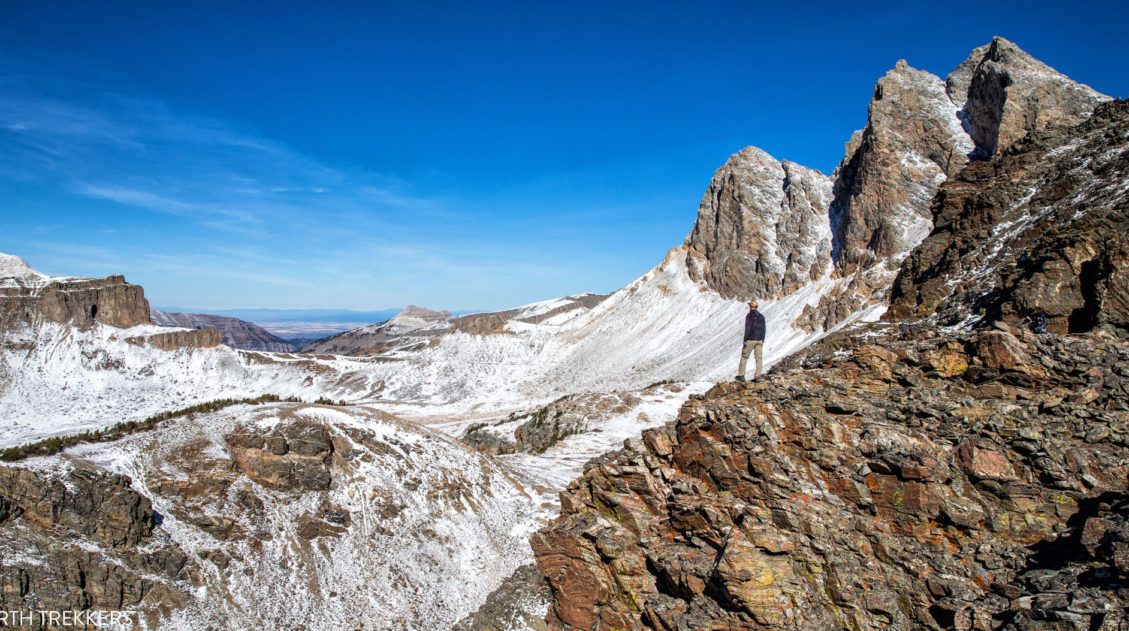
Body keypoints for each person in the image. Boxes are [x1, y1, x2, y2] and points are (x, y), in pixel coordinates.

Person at [737, 300, 765, 381]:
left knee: (744, 357)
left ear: (751, 307)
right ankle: (758, 376)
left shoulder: (749, 316)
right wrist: (762, 339)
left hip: (751, 339)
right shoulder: (761, 316)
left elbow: (748, 328)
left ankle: (741, 375)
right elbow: (764, 329)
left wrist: (745, 340)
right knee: (759, 358)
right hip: (759, 340)